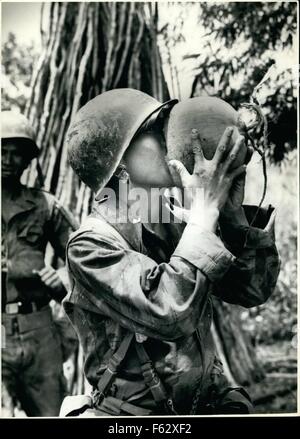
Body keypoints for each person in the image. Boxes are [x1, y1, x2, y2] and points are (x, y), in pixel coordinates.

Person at [61, 88, 280, 416]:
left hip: (206, 405)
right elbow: (169, 312)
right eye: (154, 132)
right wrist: (204, 217)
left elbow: (252, 289)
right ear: (120, 167)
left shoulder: (170, 219)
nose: (169, 137)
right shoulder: (88, 247)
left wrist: (233, 218)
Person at [1, 111, 78, 417]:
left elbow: (84, 257)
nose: (7, 160)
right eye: (1, 151)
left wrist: (61, 278)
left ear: (27, 160)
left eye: (16, 154)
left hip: (39, 327)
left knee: (52, 412)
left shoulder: (45, 206)